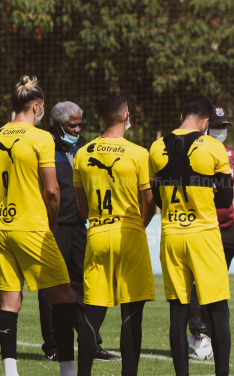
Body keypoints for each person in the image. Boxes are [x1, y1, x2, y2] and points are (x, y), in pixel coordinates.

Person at [149, 95, 233, 376]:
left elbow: (159, 199)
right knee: (218, 309)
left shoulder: (156, 147)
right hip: (204, 234)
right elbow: (225, 200)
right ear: (206, 120)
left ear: (183, 114)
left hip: (171, 234)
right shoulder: (213, 146)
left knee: (178, 311)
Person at [73, 92, 156, 376]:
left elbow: (82, 208)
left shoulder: (83, 153)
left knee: (91, 314)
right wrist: (136, 225)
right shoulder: (139, 153)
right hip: (129, 233)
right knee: (131, 315)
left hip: (97, 233)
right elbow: (150, 204)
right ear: (126, 116)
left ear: (98, 117)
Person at [0, 76, 77, 376]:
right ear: (35, 106)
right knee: (65, 297)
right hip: (32, 228)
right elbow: (52, 191)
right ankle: (68, 370)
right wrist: (53, 222)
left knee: (9, 302)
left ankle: (11, 371)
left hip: (3, 227)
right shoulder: (41, 138)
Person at [37, 101, 119, 362]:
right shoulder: (43, 145)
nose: (78, 129)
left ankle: (91, 343)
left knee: (86, 286)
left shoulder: (85, 146)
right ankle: (53, 347)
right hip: (52, 228)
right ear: (58, 124)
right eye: (73, 125)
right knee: (51, 289)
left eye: (80, 124)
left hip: (80, 228)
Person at [188, 105, 234, 336]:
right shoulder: (194, 151)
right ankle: (196, 323)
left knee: (217, 283)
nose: (222, 130)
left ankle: (207, 332)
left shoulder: (232, 155)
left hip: (227, 228)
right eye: (218, 126)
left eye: (224, 127)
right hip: (203, 226)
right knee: (200, 278)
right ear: (207, 126)